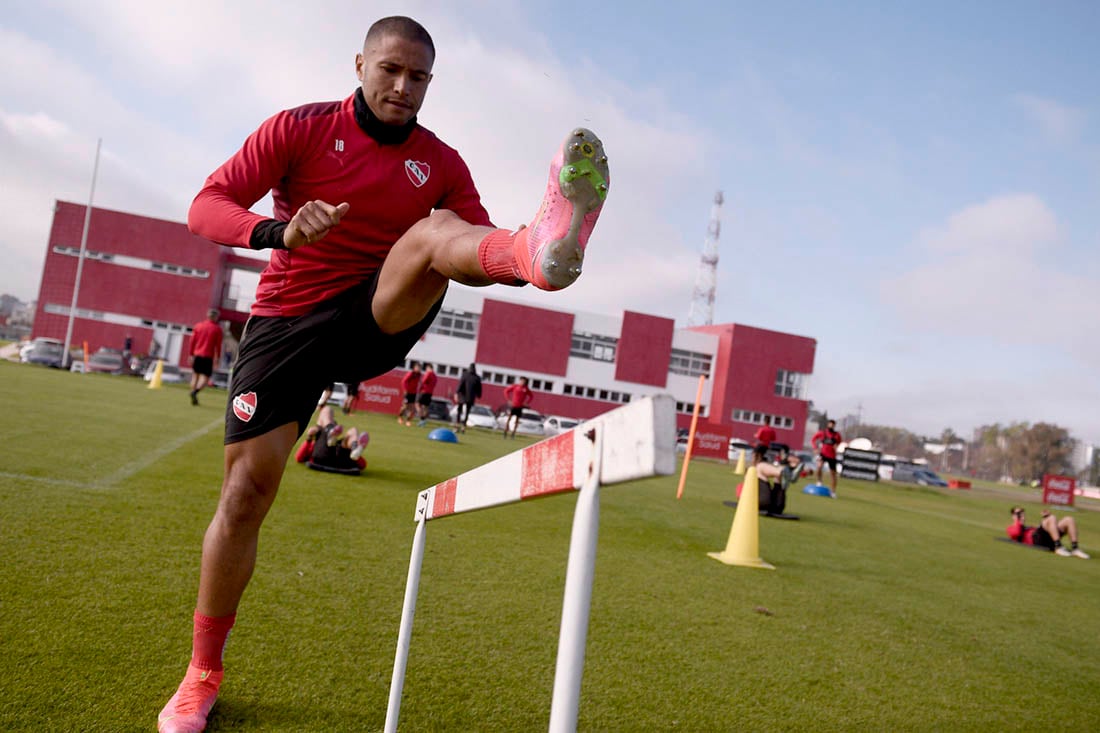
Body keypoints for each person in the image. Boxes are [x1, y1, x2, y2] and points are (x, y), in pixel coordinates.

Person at [158, 15, 610, 733]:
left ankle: (542, 243)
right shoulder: (299, 128)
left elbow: (469, 247)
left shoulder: (442, 161)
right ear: (360, 64)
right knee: (244, 494)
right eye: (390, 70)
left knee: (437, 234)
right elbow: (204, 207)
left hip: (379, 308)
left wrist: (527, 257)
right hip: (287, 323)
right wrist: (281, 231)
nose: (403, 87)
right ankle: (200, 674)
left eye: (419, 77)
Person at [294, 405, 369, 473]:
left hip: (328, 457)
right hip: (341, 461)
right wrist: (310, 437)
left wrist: (309, 438)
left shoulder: (319, 434)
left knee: (327, 409)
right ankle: (355, 446)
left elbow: (298, 458)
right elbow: (363, 465)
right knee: (353, 431)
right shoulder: (318, 436)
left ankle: (354, 447)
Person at [1006, 507, 1089, 558]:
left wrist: (1046, 518)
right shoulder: (1011, 528)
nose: (1021, 515)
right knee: (1051, 518)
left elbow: (1043, 529)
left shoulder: (1029, 527)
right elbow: (1016, 533)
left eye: (1022, 513)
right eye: (1018, 514)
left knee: (1069, 519)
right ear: (1013, 516)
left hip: (1045, 538)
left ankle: (1075, 548)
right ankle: (1058, 547)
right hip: (1036, 540)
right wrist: (1018, 521)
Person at [188, 309, 223, 406]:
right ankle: (195, 392)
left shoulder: (198, 326)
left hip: (197, 355)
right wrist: (218, 358)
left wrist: (191, 354)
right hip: (208, 356)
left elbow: (192, 341)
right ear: (215, 317)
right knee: (205, 378)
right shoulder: (217, 329)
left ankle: (193, 394)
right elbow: (218, 345)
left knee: (195, 376)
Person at [811, 418, 843, 497]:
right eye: (830, 424)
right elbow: (813, 439)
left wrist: (836, 446)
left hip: (832, 456)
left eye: (833, 425)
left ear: (834, 426)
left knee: (833, 474)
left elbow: (839, 442)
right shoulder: (823, 433)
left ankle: (833, 492)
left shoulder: (836, 435)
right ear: (828, 424)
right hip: (823, 454)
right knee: (819, 467)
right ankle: (819, 481)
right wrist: (815, 448)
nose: (831, 426)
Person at [453, 363, 482, 432]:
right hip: (470, 397)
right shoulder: (477, 377)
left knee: (459, 411)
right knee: (467, 412)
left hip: (462, 395)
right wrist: (479, 395)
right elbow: (479, 388)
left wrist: (456, 393)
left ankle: (457, 426)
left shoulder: (465, 375)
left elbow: (461, 384)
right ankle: (463, 427)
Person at [415, 362, 437, 427]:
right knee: (425, 407)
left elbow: (423, 381)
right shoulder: (435, 376)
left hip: (424, 392)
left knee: (417, 404)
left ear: (428, 368)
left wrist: (419, 389)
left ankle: (422, 419)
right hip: (430, 393)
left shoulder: (428, 373)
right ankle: (424, 421)